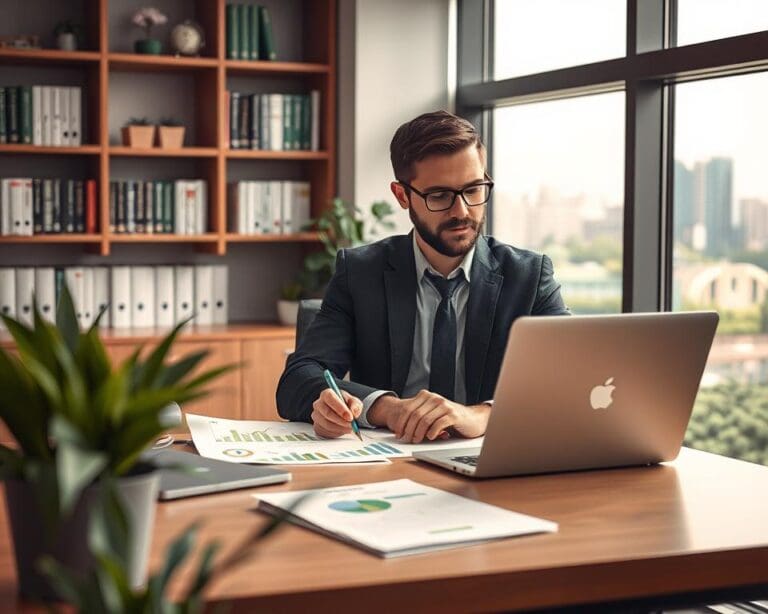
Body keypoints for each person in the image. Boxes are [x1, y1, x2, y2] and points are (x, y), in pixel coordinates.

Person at [276, 110, 569, 443]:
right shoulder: (360, 272)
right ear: (403, 196)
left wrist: (482, 414)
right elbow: (298, 379)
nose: (461, 211)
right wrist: (386, 408)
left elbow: (571, 381)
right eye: (440, 196)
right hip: (387, 462)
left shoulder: (528, 277)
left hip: (486, 460)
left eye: (473, 190)